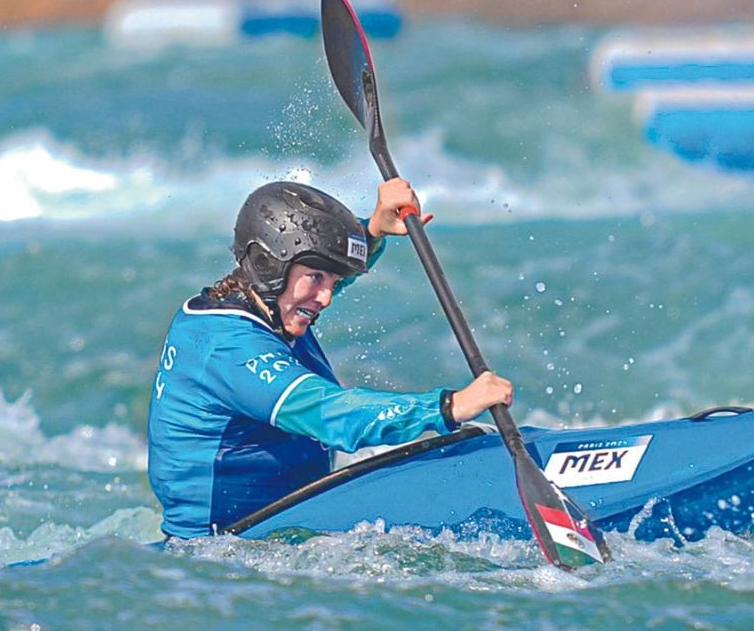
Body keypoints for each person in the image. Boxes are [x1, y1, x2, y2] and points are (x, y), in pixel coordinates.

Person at [147, 179, 513, 539]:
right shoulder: (230, 349)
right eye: (315, 278)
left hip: (285, 520)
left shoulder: (265, 306)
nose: (326, 298)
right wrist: (447, 407)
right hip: (225, 550)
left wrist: (374, 230)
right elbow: (330, 414)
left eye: (333, 281)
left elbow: (316, 272)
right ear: (267, 266)